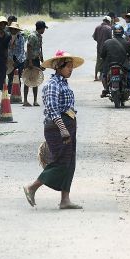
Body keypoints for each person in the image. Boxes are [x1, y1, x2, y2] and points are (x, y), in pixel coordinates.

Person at [23, 50, 85, 210]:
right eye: (68, 66)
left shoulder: (63, 82)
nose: (71, 69)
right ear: (58, 66)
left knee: (70, 162)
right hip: (57, 127)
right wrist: (63, 129)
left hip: (68, 124)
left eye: (72, 67)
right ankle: (32, 187)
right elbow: (52, 109)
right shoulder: (52, 85)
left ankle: (65, 199)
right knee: (60, 162)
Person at [100, 24, 130, 95]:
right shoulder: (126, 43)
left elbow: (102, 55)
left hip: (109, 65)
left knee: (103, 74)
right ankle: (129, 88)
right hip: (123, 65)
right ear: (122, 32)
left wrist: (105, 59)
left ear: (113, 33)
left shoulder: (107, 42)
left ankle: (106, 88)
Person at [23, 21, 47, 106]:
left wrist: (42, 61)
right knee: (27, 80)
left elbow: (39, 50)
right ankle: (25, 100)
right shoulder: (33, 36)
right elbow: (29, 48)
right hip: (30, 60)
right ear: (41, 28)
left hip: (36, 60)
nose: (44, 30)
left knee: (36, 80)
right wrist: (30, 61)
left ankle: (35, 100)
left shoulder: (39, 37)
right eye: (44, 28)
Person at [92, 16, 114, 81]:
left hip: (99, 47)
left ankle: (96, 76)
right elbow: (110, 39)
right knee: (106, 61)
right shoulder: (108, 28)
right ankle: (104, 76)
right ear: (108, 22)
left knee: (98, 61)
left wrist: (100, 41)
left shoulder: (97, 27)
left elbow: (94, 38)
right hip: (106, 47)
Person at [7, 22, 27, 91]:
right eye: (12, 29)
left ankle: (17, 93)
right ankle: (9, 93)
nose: (13, 31)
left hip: (19, 60)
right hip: (10, 60)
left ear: (18, 30)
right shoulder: (7, 37)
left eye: (15, 29)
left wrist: (17, 61)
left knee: (17, 77)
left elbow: (22, 51)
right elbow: (7, 48)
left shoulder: (21, 38)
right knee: (10, 77)